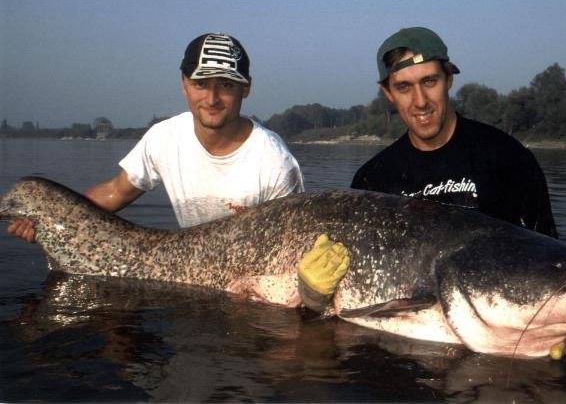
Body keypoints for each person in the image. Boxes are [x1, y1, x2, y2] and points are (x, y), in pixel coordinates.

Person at [7, 32, 348, 311]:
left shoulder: (274, 162)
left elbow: (295, 252)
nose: (212, 97)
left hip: (246, 289)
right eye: (201, 83)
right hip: (184, 275)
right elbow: (116, 191)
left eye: (226, 85)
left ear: (246, 88)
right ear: (184, 83)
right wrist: (53, 220)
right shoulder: (164, 137)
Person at [351, 26, 558, 238]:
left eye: (429, 81)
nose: (420, 101)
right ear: (388, 93)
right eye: (404, 87)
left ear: (449, 79)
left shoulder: (509, 159)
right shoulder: (371, 181)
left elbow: (550, 255)